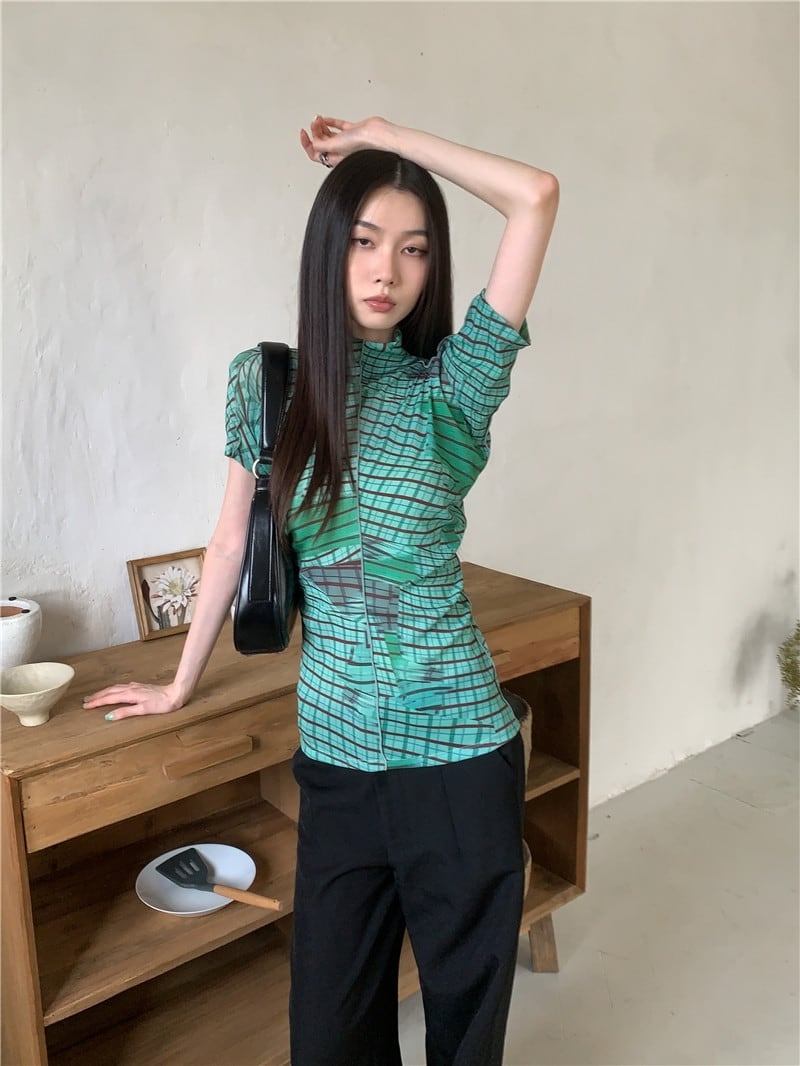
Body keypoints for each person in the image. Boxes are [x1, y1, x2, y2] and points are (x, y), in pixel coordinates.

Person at [85, 114, 559, 1066]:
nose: (388, 270)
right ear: (327, 251)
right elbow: (230, 541)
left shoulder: (454, 387)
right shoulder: (268, 385)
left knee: (466, 1033)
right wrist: (179, 682)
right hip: (337, 761)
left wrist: (391, 138)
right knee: (330, 1035)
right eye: (364, 241)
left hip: (461, 761)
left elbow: (535, 196)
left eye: (414, 249)